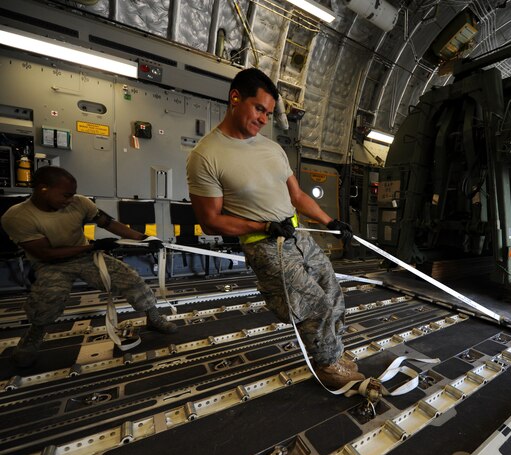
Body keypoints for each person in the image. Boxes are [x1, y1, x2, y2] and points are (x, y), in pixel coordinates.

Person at [186, 68, 363, 389]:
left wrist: (330, 222)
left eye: (268, 113)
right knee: (314, 304)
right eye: (259, 109)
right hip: (264, 244)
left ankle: (334, 351)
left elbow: (296, 196)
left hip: (298, 236)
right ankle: (327, 366)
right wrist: (263, 225)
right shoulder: (206, 156)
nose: (264, 119)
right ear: (235, 98)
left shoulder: (271, 149)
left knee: (334, 294)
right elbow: (210, 220)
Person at [1, 166, 177, 368]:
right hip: (50, 264)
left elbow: (109, 224)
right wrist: (94, 246)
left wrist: (145, 238)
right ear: (43, 189)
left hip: (86, 257)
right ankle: (33, 336)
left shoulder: (79, 202)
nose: (70, 200)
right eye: (66, 195)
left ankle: (153, 317)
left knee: (131, 278)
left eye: (72, 195)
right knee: (48, 297)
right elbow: (45, 253)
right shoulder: (16, 217)